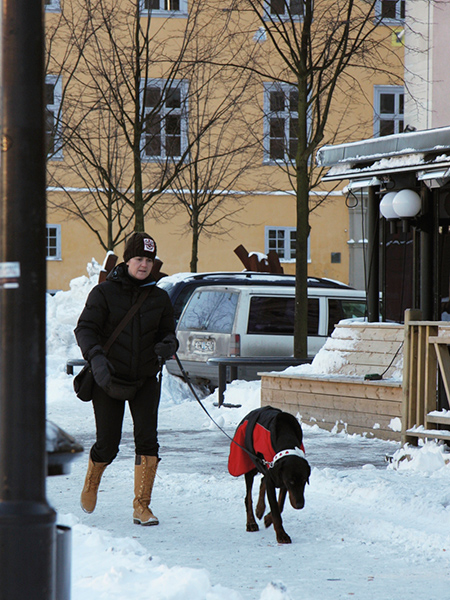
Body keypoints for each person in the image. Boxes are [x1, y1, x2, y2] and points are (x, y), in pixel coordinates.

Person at [74, 232, 178, 526]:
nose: (144, 265)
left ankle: (141, 506)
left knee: (148, 441)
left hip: (145, 377)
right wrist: (95, 358)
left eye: (149, 260)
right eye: (138, 259)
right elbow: (85, 329)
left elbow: (169, 333)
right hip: (108, 378)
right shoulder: (104, 293)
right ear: (127, 260)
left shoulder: (159, 297)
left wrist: (168, 345)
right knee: (109, 443)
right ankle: (93, 481)